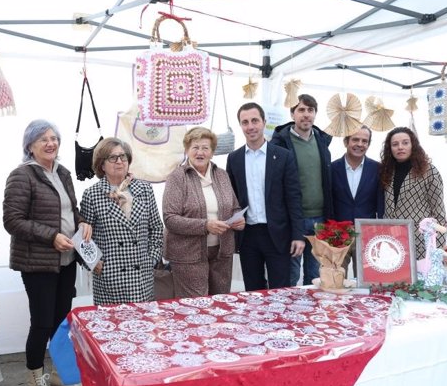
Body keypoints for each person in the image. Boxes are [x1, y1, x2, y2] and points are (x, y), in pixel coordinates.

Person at [3, 119, 92, 386]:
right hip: (38, 263)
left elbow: (70, 210)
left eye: (54, 138)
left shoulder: (63, 172)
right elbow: (12, 221)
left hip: (66, 260)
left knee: (59, 323)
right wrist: (50, 236)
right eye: (43, 139)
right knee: (41, 324)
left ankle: (58, 376)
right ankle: (35, 385)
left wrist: (82, 223)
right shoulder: (22, 175)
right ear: (30, 145)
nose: (50, 143)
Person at [227, 103, 305, 291]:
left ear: (264, 122)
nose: (250, 126)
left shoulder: (283, 156)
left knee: (281, 291)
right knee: (253, 291)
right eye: (245, 122)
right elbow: (231, 198)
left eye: (255, 120)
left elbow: (294, 197)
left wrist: (298, 235)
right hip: (248, 236)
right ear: (240, 126)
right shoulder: (234, 158)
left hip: (278, 234)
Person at [162, 127, 244, 298]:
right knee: (195, 307)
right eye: (195, 147)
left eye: (205, 148)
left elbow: (234, 206)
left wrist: (239, 219)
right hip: (188, 256)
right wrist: (206, 225)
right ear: (187, 150)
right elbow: (170, 219)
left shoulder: (221, 175)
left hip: (222, 254)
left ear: (212, 152)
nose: (200, 152)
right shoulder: (177, 177)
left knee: (220, 304)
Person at [80, 137, 164, 304]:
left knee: (142, 326)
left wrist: (151, 259)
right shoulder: (92, 194)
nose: (119, 161)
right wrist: (95, 262)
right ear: (102, 165)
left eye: (123, 156)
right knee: (112, 326)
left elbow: (156, 229)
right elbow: (82, 236)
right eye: (113, 157)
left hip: (141, 276)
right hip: (110, 278)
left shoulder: (144, 189)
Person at [271, 93, 333, 286]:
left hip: (319, 221)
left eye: (310, 110)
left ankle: (311, 315)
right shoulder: (280, 144)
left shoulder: (322, 142)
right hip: (293, 220)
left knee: (314, 277)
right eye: (301, 110)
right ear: (292, 114)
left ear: (315, 114)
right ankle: (289, 315)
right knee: (290, 274)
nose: (306, 114)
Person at [380, 126, 447, 258]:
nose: (400, 147)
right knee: (395, 278)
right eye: (395, 144)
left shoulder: (429, 172)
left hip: (420, 242)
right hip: (391, 241)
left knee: (419, 279)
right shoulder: (386, 171)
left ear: (413, 145)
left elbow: (439, 212)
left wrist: (435, 249)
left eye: (405, 143)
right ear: (390, 149)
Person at [331, 125, 384, 277]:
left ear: (368, 144)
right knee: (337, 280)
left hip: (367, 234)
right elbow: (329, 201)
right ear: (346, 141)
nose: (360, 144)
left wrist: (379, 232)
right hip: (338, 235)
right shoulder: (332, 168)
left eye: (364, 141)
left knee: (365, 281)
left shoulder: (377, 169)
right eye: (355, 139)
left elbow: (380, 203)